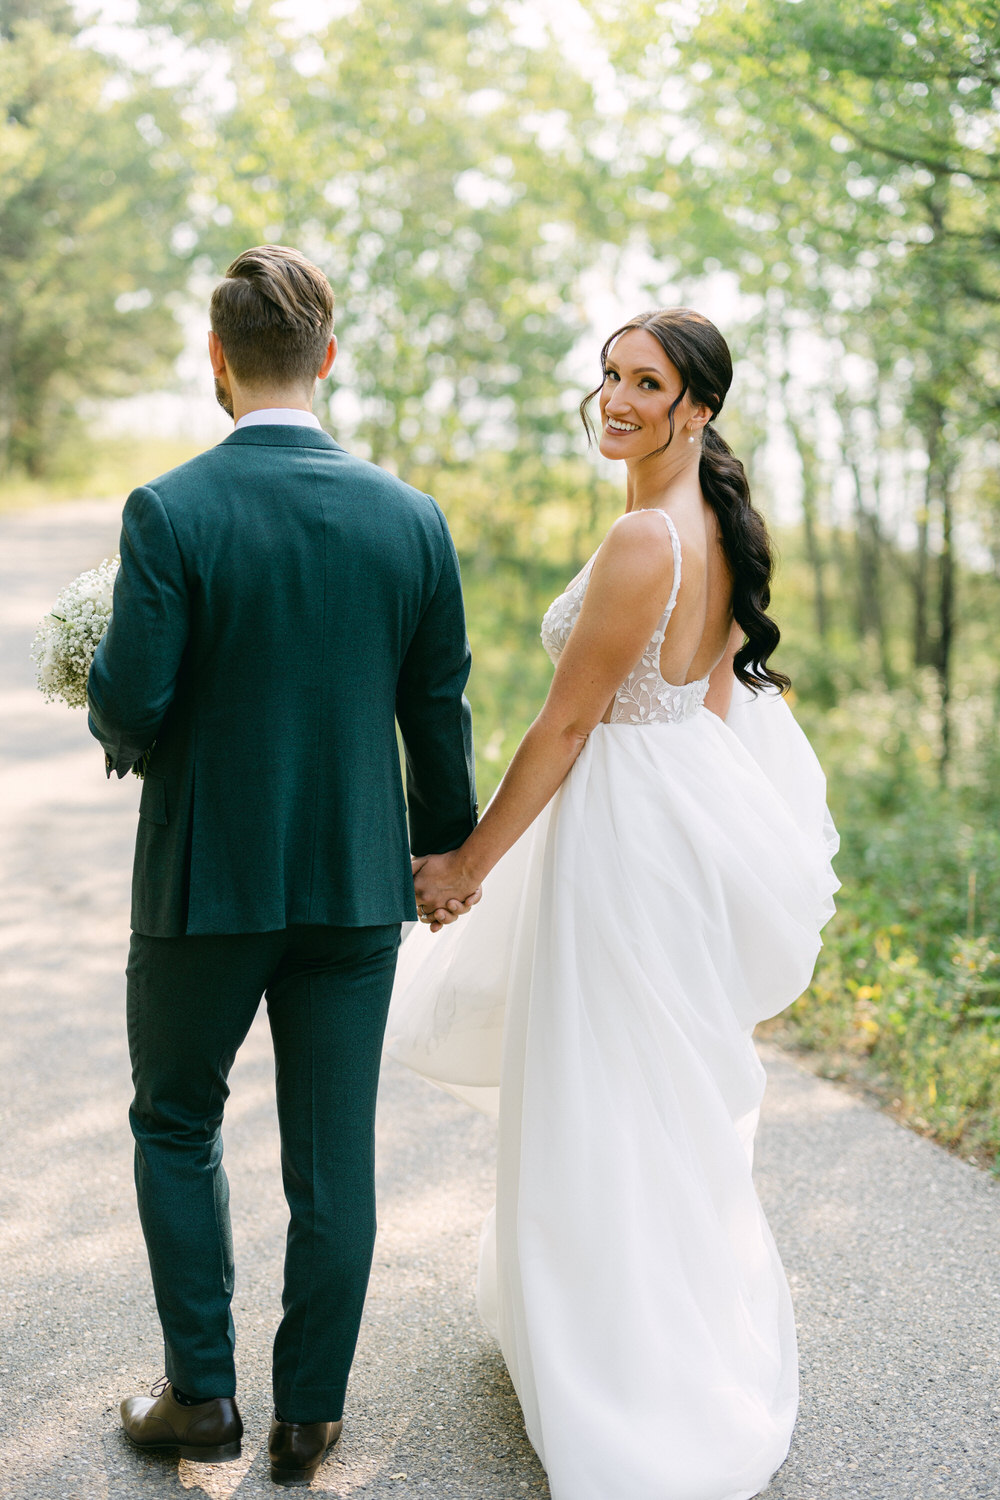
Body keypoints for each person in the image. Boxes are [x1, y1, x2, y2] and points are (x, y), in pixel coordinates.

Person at [387, 309, 840, 1500]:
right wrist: (715, 842)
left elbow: (570, 721)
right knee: (647, 1090)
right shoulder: (713, 529)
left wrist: (468, 864)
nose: (617, 399)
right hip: (667, 827)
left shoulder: (648, 537)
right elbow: (717, 710)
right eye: (608, 377)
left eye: (647, 383)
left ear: (697, 408)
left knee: (600, 1087)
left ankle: (631, 1382)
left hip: (620, 846)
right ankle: (632, 1331)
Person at [87, 244, 478, 1486]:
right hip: (357, 889)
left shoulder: (171, 509)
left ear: (216, 359)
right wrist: (442, 850)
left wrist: (108, 699)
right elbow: (438, 708)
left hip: (206, 884)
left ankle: (200, 1399)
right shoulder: (411, 518)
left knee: (174, 1122)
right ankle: (310, 1419)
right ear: (327, 356)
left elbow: (134, 703)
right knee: (333, 1155)